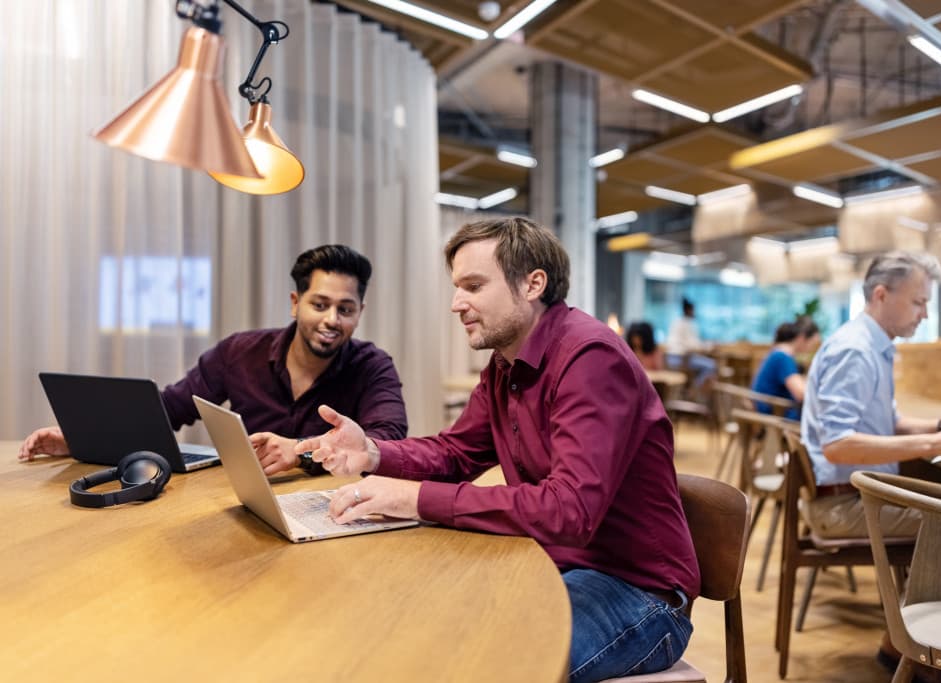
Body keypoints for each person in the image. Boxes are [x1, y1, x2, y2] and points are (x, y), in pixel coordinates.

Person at [297, 217, 699, 683]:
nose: (456, 304)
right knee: (416, 629)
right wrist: (373, 453)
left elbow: (568, 510)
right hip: (558, 565)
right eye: (457, 287)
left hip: (639, 591)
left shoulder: (591, 358)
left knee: (482, 665)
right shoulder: (504, 364)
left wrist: (413, 499)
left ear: (532, 284)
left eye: (472, 286)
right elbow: (457, 452)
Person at [18, 244, 408, 476]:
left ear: (360, 311)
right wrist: (83, 437)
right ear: (295, 303)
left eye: (345, 309)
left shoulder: (373, 366)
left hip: (332, 504)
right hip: (248, 505)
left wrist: (300, 449)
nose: (331, 320)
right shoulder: (239, 353)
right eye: (319, 305)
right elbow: (167, 411)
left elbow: (389, 440)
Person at [801, 251, 941, 611]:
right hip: (843, 505)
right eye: (918, 302)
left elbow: (888, 421)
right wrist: (936, 442)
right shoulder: (855, 351)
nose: (924, 314)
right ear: (881, 295)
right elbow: (838, 445)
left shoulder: (873, 346)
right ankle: (904, 638)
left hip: (857, 495)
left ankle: (931, 631)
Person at [751, 317, 820, 419]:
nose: (811, 349)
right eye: (813, 344)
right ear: (801, 338)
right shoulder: (782, 357)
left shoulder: (778, 353)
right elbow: (801, 394)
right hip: (775, 413)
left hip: (774, 409)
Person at [664, 297, 716, 391]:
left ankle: (689, 389)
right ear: (689, 310)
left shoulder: (676, 322)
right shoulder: (688, 323)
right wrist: (709, 346)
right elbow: (693, 345)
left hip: (670, 359)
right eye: (693, 310)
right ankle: (694, 390)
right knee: (711, 365)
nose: (694, 312)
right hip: (682, 360)